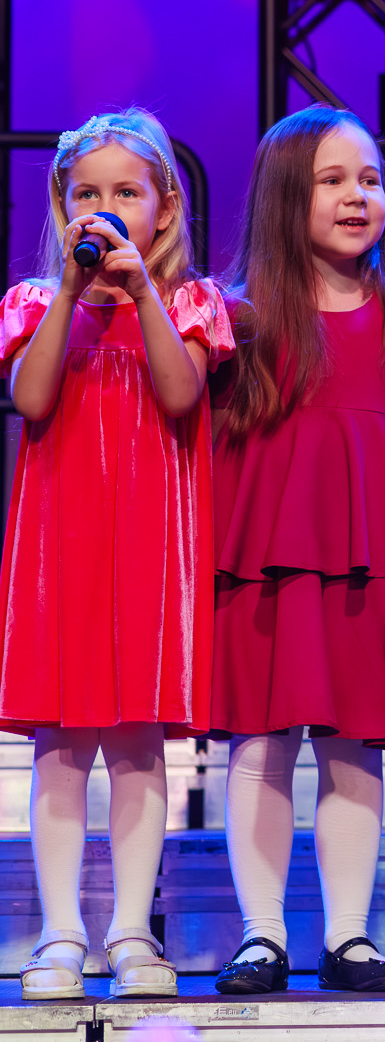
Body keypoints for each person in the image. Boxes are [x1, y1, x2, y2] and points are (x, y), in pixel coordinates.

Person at [0, 111, 233, 1000]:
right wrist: (69, 292)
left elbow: (180, 396)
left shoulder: (189, 303)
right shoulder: (32, 302)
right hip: (59, 551)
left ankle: (133, 931)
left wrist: (140, 297)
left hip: (147, 548)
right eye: (85, 194)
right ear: (63, 208)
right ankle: (61, 934)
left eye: (126, 192)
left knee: (138, 745)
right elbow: (32, 398)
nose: (104, 208)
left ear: (163, 210)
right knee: (60, 747)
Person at [210, 107, 385, 996]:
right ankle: (262, 936)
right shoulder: (240, 320)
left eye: (370, 180)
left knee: (356, 744)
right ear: (284, 197)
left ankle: (347, 937)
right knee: (261, 741)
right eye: (333, 180)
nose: (358, 197)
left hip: (362, 565)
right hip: (268, 565)